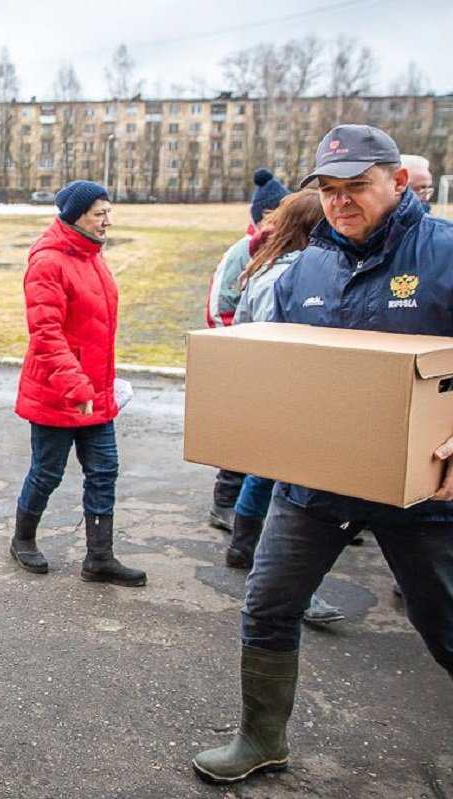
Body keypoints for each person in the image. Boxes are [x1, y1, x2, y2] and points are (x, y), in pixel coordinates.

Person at [192, 124, 453, 785]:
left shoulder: (446, 254)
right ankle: (261, 736)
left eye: (356, 188)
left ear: (397, 182)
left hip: (423, 491)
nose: (340, 203)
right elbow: (282, 367)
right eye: (329, 191)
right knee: (268, 602)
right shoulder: (309, 264)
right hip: (316, 483)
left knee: (445, 628)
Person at [10, 180, 146, 588]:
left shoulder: (91, 257)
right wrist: (78, 387)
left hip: (95, 392)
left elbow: (93, 330)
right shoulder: (48, 262)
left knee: (104, 471)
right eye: (98, 213)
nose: (107, 221)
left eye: (109, 212)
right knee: (47, 472)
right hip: (58, 391)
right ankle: (22, 540)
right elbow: (46, 334)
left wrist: (101, 384)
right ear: (76, 216)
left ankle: (100, 557)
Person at [227, 189, 344, 625]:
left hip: (269, 391)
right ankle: (293, 587)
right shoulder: (296, 273)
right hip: (292, 395)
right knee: (290, 487)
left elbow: (240, 331)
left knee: (268, 472)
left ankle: (243, 545)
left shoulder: (267, 265)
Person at [205, 168, 289, 532]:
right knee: (241, 433)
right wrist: (235, 352)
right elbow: (219, 307)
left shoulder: (279, 251)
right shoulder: (243, 253)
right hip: (241, 355)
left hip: (262, 358)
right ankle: (224, 503)